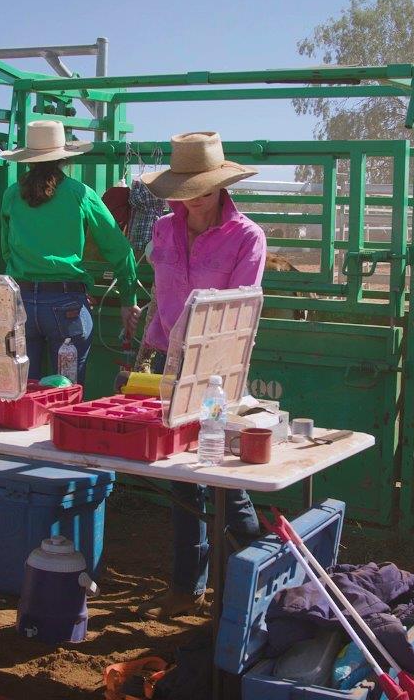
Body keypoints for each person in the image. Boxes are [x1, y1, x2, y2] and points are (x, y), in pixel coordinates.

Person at [127, 131, 266, 618]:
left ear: (221, 186)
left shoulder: (247, 236)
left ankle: (253, 589)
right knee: (182, 479)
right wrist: (146, 346)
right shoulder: (164, 230)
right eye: (187, 188)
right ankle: (188, 588)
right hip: (168, 362)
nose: (196, 197)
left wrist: (202, 362)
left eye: (203, 187)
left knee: (226, 478)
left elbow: (240, 309)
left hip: (216, 369)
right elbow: (160, 297)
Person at [0, 120, 138, 380]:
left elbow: (7, 250)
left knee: (23, 389)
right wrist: (127, 299)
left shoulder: (11, 195)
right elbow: (120, 249)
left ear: (27, 159)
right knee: (68, 391)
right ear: (64, 159)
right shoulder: (80, 193)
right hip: (66, 305)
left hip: (21, 303)